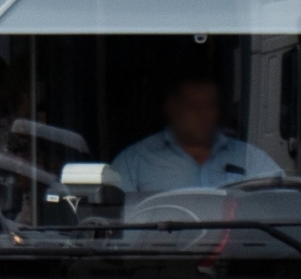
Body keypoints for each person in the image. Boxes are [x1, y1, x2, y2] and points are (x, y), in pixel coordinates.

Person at [110, 75, 281, 194]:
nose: (203, 114)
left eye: (210, 106)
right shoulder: (135, 161)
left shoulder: (250, 158)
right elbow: (111, 221)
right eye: (193, 106)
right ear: (172, 109)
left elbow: (284, 203)